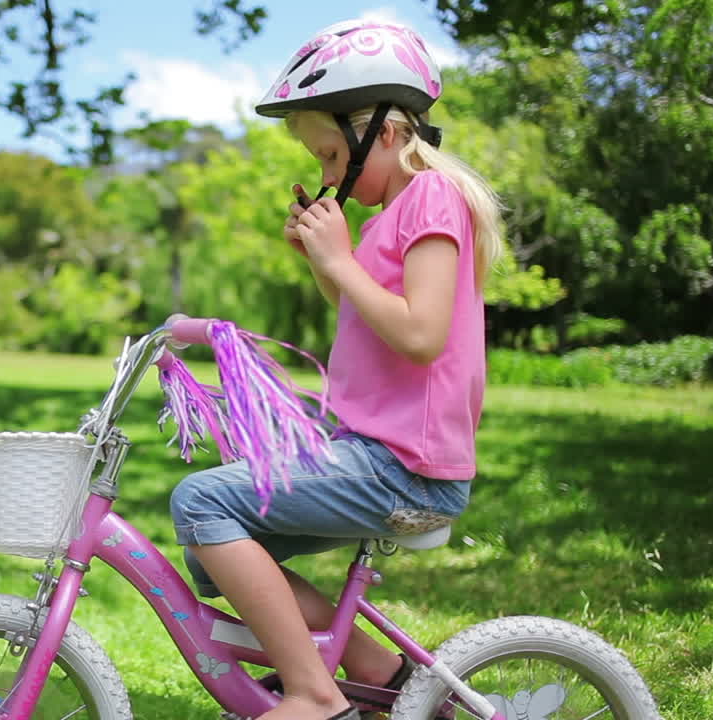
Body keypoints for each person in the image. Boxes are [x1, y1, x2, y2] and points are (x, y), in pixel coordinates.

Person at [168, 19, 503, 720]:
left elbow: (420, 335)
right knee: (209, 549)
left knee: (201, 504)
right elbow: (370, 318)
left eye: (329, 154)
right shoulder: (389, 216)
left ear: (385, 132)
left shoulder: (432, 198)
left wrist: (340, 261)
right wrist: (325, 264)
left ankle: (315, 696)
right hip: (374, 454)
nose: (326, 176)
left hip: (405, 466)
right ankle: (377, 671)